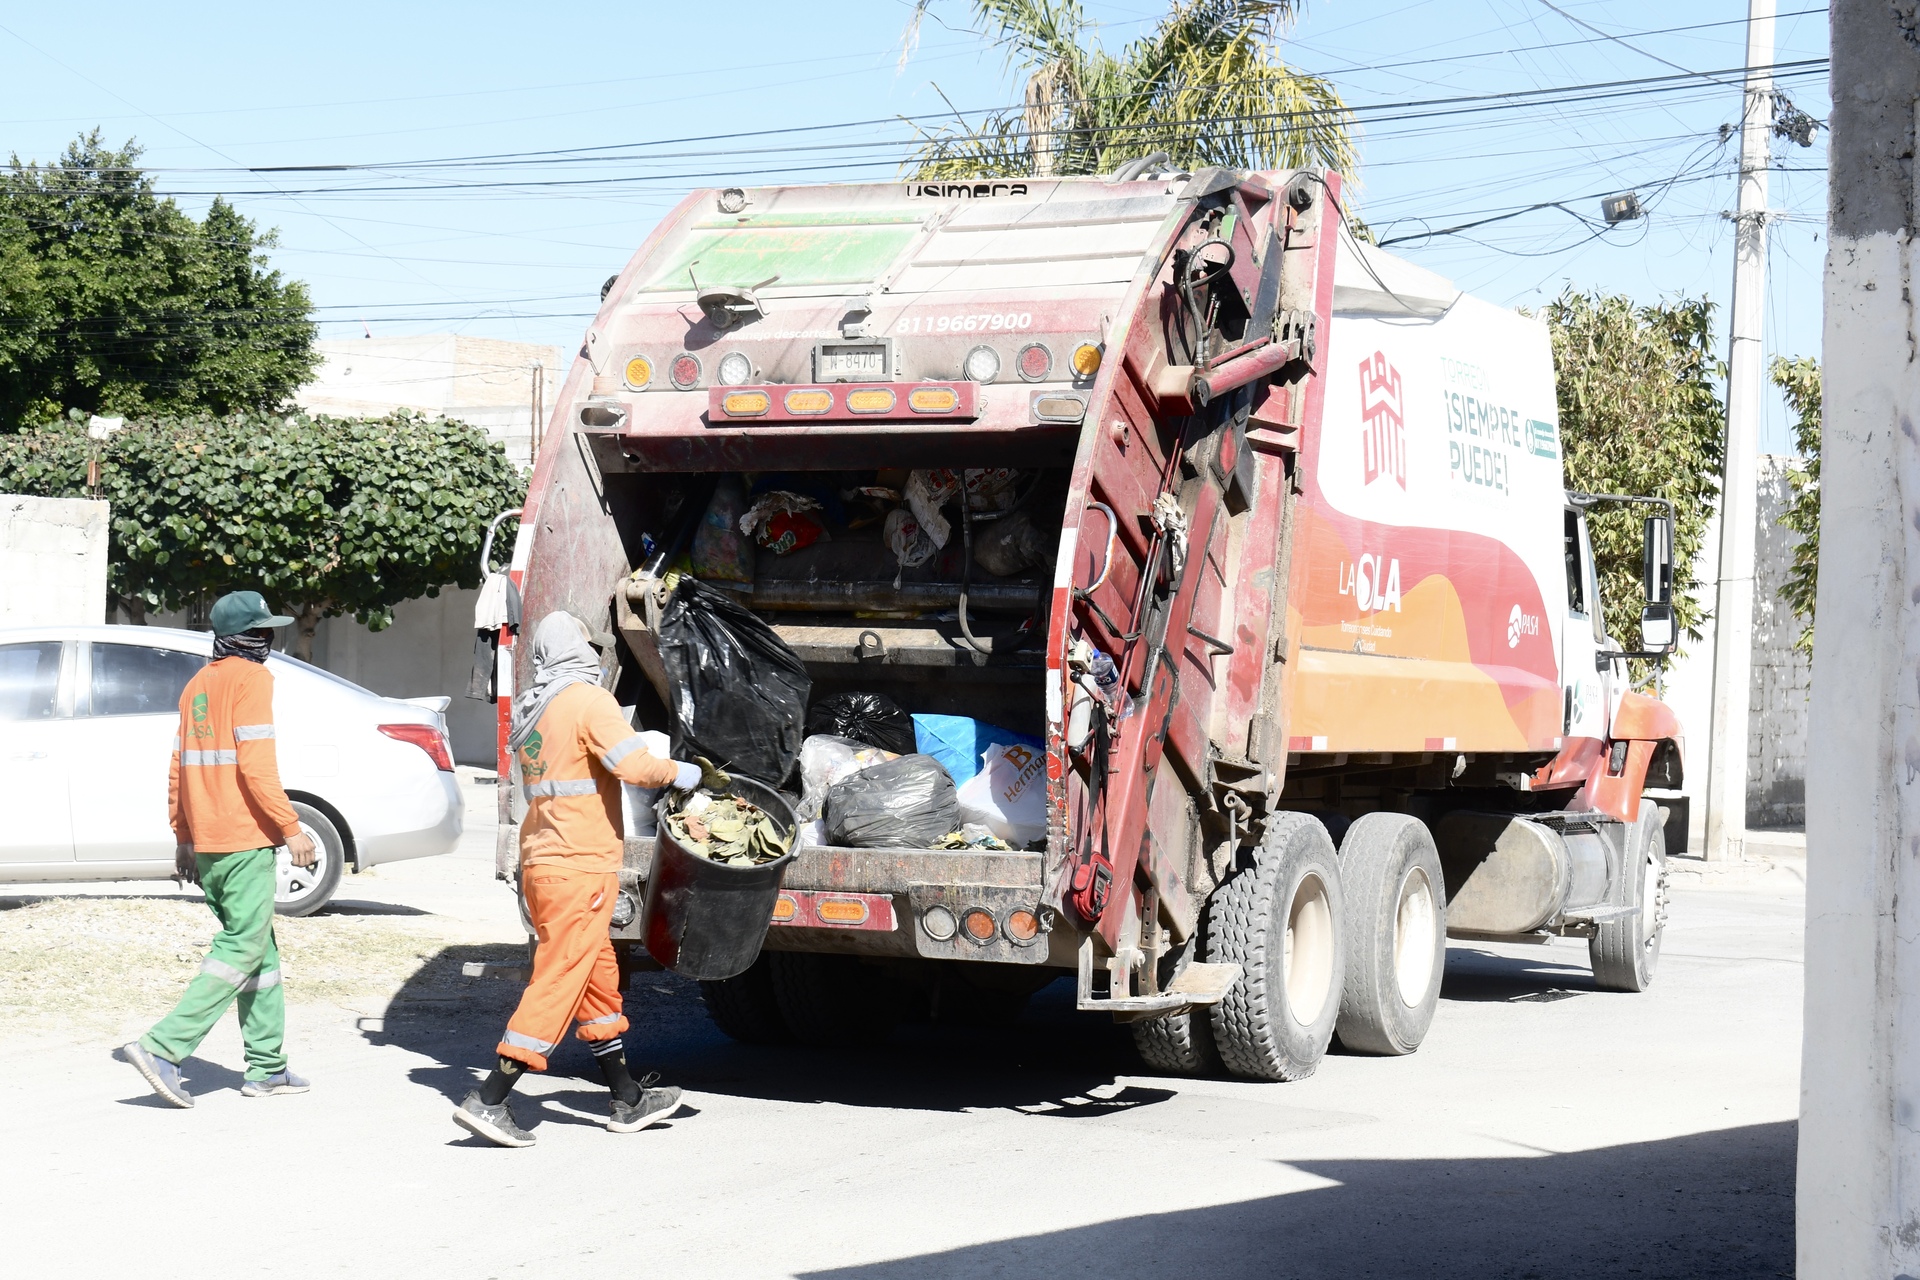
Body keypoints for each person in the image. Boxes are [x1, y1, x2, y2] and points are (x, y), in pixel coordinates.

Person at [453, 611, 723, 1148]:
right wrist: (684, 773)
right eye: (586, 640)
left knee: (596, 977)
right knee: (559, 979)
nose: (594, 650)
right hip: (580, 865)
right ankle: (490, 1100)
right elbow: (635, 767)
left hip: (545, 861)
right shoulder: (587, 701)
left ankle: (627, 1098)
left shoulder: (537, 707)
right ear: (575, 649)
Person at [120, 591, 319, 1107]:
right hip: (243, 837)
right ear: (247, 639)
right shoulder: (253, 680)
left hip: (208, 843)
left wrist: (183, 835)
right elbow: (256, 767)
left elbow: (177, 768)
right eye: (263, 632)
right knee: (241, 949)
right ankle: (162, 1047)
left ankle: (267, 1066)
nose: (269, 641)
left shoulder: (196, 685)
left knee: (260, 954)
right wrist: (291, 828)